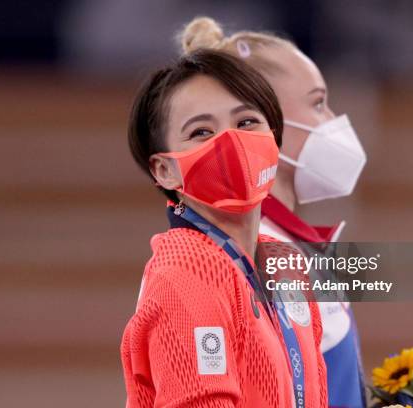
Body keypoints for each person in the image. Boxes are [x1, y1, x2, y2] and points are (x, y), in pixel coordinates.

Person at [121, 49, 328, 407]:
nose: (231, 141)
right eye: (201, 131)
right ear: (165, 170)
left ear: (274, 139)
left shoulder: (287, 267)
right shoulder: (187, 272)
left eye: (247, 122)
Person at [178, 17, 368, 408]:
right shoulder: (253, 254)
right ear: (267, 118)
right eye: (318, 103)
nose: (332, 122)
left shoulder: (286, 246)